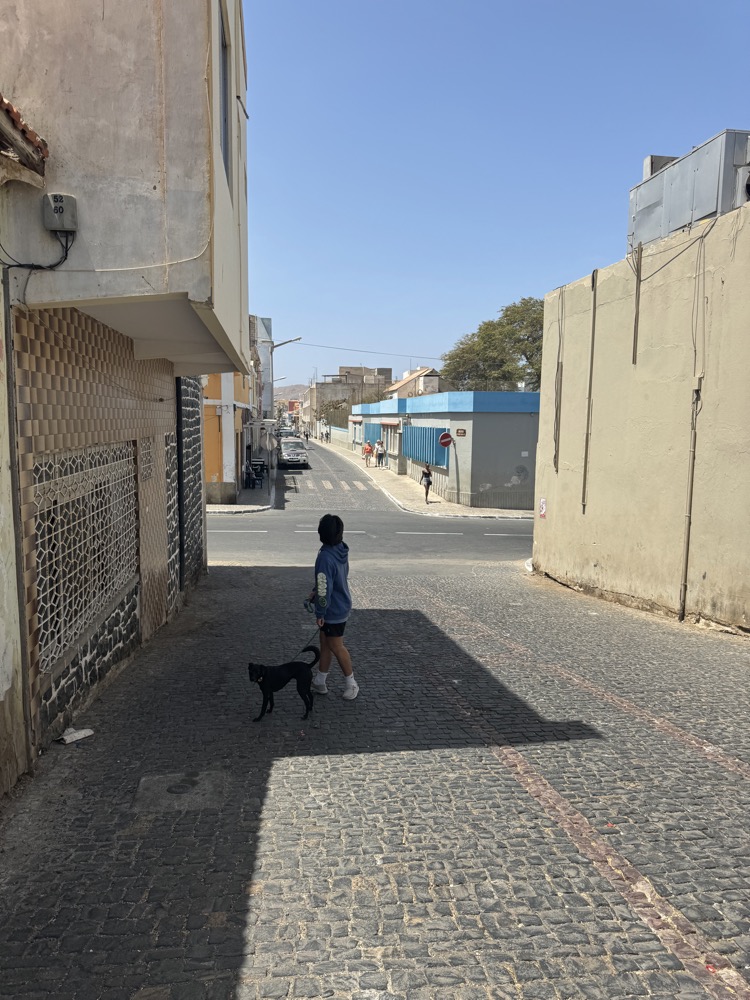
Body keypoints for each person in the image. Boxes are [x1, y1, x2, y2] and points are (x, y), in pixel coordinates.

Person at [309, 514, 359, 700]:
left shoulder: (324, 557)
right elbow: (329, 580)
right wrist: (316, 591)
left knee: (337, 646)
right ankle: (320, 681)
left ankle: (351, 683)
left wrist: (320, 613)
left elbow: (324, 587)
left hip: (333, 610)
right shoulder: (341, 550)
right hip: (341, 603)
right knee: (325, 643)